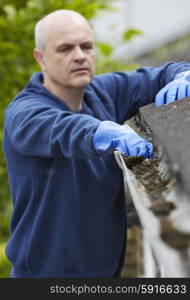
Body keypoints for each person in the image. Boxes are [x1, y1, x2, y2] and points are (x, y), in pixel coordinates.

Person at [3, 9, 190, 278]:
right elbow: (59, 128)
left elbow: (165, 73)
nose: (79, 55)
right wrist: (99, 131)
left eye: (86, 46)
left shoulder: (105, 92)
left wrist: (183, 75)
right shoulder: (24, 114)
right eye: (65, 48)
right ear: (41, 58)